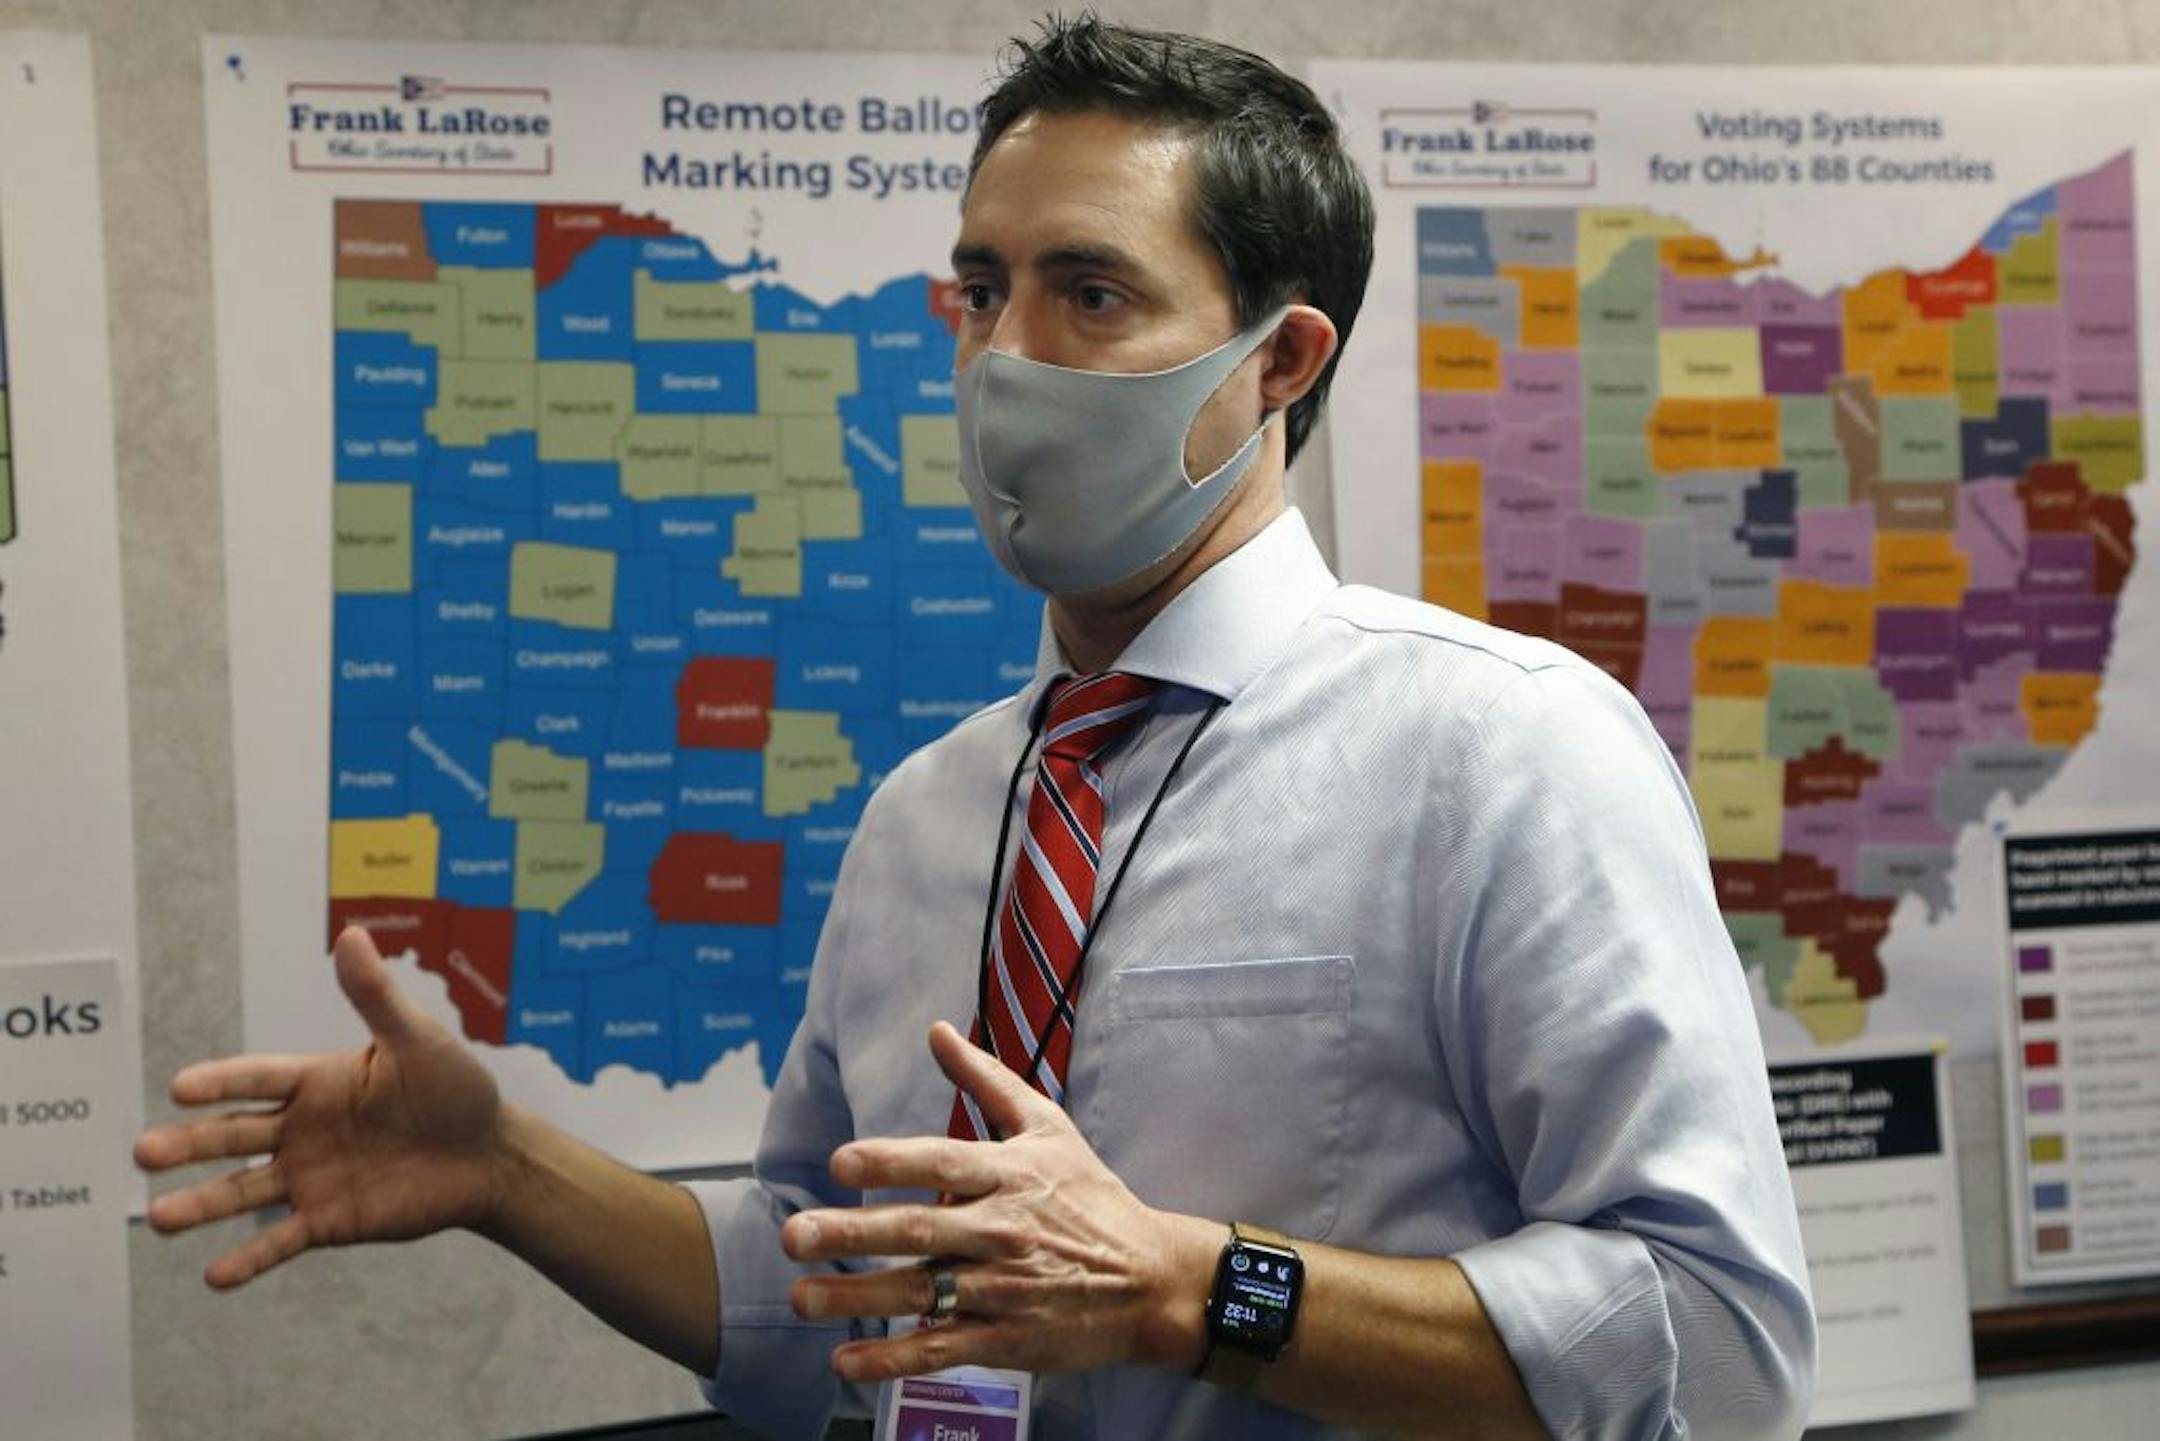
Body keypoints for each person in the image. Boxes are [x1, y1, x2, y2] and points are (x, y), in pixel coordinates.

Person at [137, 17, 1815, 1440]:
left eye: (1090, 294)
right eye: (981, 288)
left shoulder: (1508, 753)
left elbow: (1717, 1345)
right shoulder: (928, 814)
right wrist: (510, 1169)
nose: (1006, 358)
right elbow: (828, 1294)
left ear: (1279, 360)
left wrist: (1190, 1287)